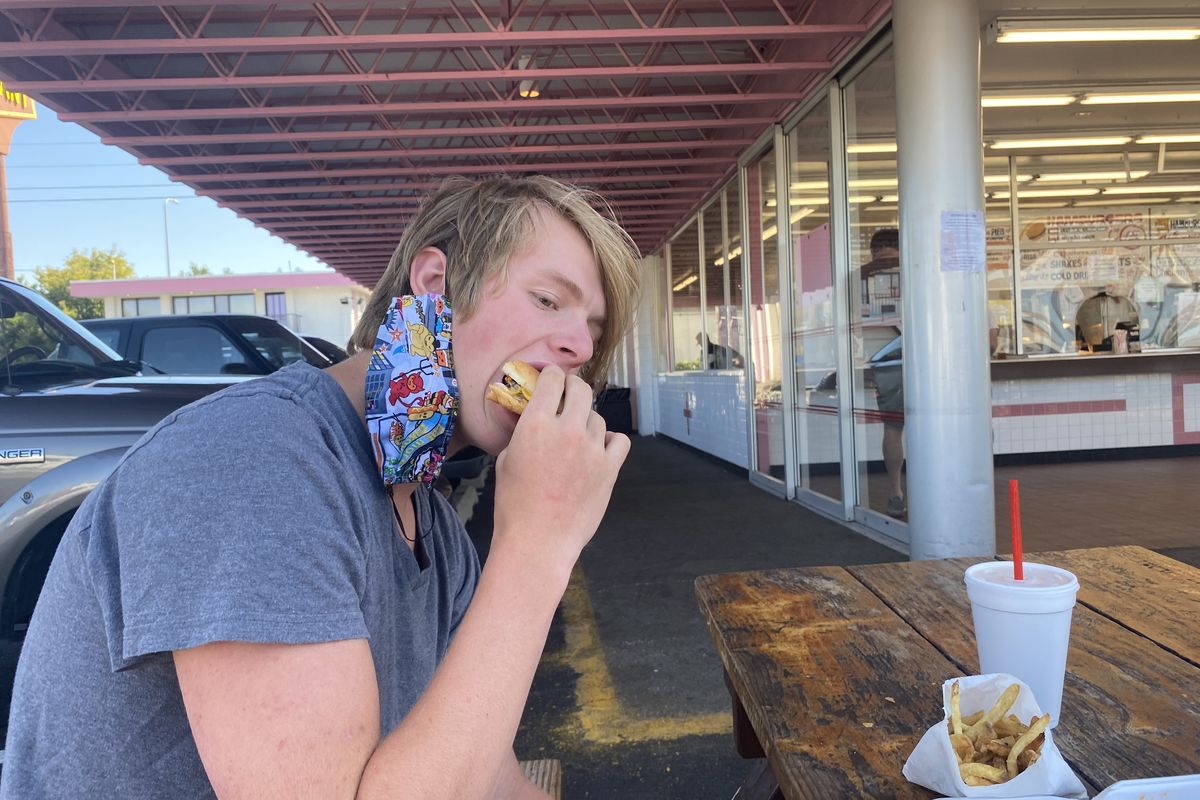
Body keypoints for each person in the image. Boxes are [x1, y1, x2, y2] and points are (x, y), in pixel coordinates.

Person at [0, 176, 641, 799]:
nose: (578, 345)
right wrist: (536, 548)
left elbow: (482, 776)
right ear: (435, 285)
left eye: (593, 327)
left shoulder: (436, 534)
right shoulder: (255, 457)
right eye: (549, 300)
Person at [861, 227, 906, 517]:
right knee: (932, 425)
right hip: (928, 360)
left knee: (893, 429)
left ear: (874, 249)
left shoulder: (858, 277)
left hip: (885, 361)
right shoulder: (919, 269)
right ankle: (936, 489)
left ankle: (895, 492)